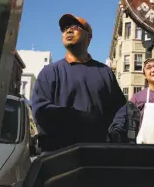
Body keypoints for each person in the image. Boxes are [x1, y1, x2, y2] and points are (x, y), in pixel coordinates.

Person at [31, 14, 126, 153]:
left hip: (98, 156)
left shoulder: (105, 72)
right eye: (65, 28)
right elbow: (41, 111)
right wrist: (83, 119)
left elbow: (121, 109)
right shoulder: (49, 72)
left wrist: (116, 132)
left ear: (89, 36)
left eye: (74, 26)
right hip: (59, 157)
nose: (68, 31)